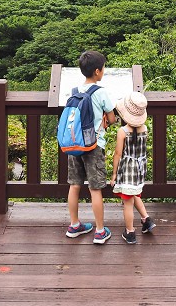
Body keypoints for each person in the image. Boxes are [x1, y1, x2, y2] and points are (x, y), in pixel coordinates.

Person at [65, 50, 116, 244]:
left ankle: (74, 225)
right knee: (95, 189)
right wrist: (106, 120)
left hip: (75, 144)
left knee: (75, 185)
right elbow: (111, 118)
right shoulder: (100, 92)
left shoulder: (74, 91)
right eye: (103, 68)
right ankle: (100, 231)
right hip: (93, 145)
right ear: (97, 71)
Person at [111, 91, 155, 244]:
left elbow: (117, 154)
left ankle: (130, 232)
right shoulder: (145, 129)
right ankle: (146, 220)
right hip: (140, 168)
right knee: (134, 194)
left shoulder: (122, 132)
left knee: (127, 201)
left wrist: (114, 175)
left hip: (128, 169)